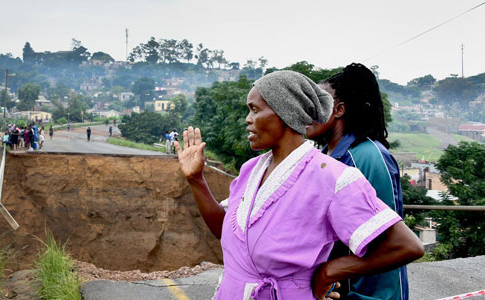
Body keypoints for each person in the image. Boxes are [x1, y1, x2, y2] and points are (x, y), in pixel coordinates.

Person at [174, 71, 423, 300]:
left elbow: (405, 246)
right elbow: (224, 231)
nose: (248, 120)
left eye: (255, 110)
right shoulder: (251, 170)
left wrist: (330, 271)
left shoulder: (332, 176)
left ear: (286, 113)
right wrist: (196, 180)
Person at [306, 63, 408, 300]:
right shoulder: (323, 158)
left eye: (318, 103)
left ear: (339, 109)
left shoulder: (369, 156)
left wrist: (332, 273)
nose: (307, 111)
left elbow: (389, 244)